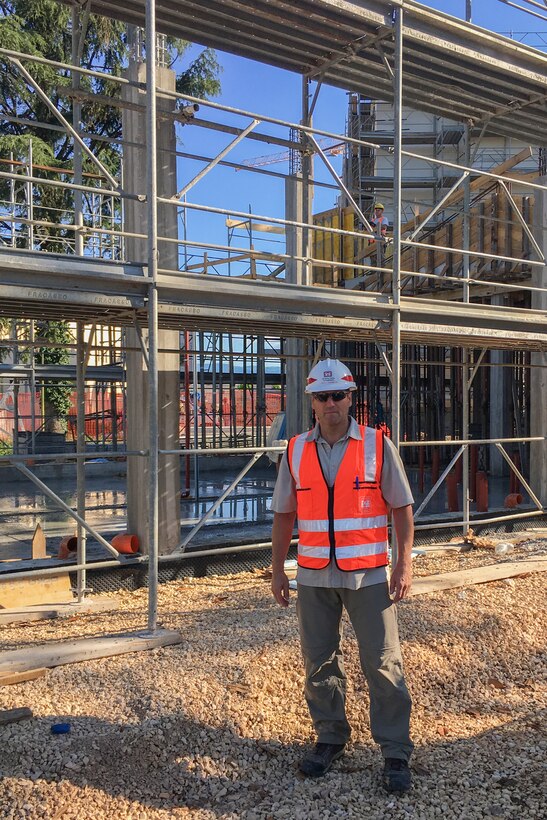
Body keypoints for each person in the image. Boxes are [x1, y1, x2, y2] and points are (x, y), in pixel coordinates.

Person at [271, 358, 414, 793]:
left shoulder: (376, 444)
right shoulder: (295, 450)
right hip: (314, 576)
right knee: (319, 663)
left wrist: (403, 564)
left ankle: (394, 750)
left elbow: (402, 509)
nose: (331, 403)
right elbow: (283, 515)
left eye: (338, 395)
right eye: (322, 396)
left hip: (368, 575)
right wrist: (278, 570)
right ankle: (330, 737)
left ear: (351, 398)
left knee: (383, 662)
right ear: (311, 402)